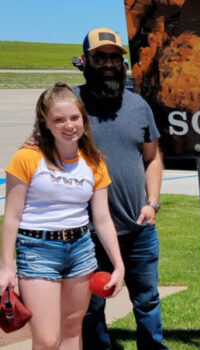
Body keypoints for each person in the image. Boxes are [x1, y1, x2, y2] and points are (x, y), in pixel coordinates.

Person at [0, 83, 125, 349]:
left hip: (80, 250)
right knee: (47, 339)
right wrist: (7, 267)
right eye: (59, 119)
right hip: (37, 251)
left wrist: (118, 264)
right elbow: (11, 216)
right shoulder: (28, 157)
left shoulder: (94, 161)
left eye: (74, 117)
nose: (68, 125)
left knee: (71, 330)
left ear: (83, 119)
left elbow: (102, 219)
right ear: (45, 123)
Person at [75, 28, 166, 349]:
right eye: (100, 57)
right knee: (91, 307)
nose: (109, 64)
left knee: (147, 300)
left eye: (115, 58)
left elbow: (153, 158)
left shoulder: (139, 106)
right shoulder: (70, 106)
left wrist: (152, 203)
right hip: (87, 235)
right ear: (85, 61)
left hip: (138, 228)